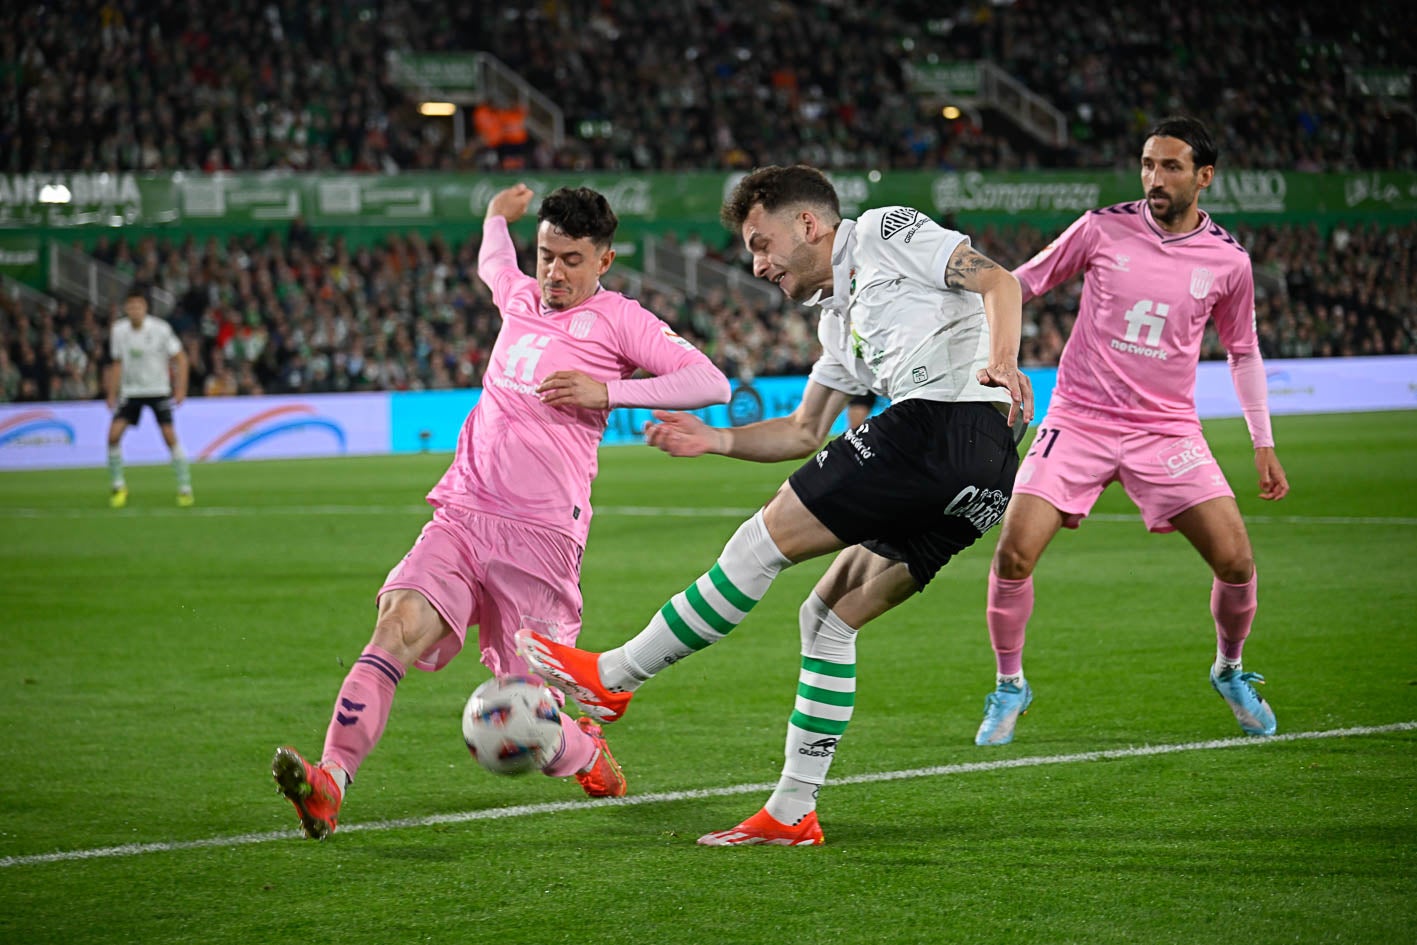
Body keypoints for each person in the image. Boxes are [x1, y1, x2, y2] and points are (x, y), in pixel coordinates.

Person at [518, 164, 1033, 846]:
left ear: (809, 225)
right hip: (985, 475)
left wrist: (1002, 361)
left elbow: (999, 279)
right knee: (825, 619)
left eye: (761, 244)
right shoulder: (833, 325)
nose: (757, 264)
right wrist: (715, 439)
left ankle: (614, 676)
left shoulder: (882, 230)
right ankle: (792, 811)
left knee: (757, 543)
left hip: (942, 422)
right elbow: (800, 431)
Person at [272, 184, 731, 840]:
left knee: (526, 711)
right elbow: (494, 262)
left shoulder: (619, 320)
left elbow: (708, 382)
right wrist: (494, 215)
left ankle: (585, 750)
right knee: (394, 626)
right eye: (545, 254)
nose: (553, 271)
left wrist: (608, 390)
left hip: (540, 536)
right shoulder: (519, 296)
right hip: (462, 510)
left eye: (571, 258)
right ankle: (329, 782)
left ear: (604, 260)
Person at [973, 116, 1290, 748]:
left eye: (1170, 167)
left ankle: (1229, 670)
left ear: (1204, 176)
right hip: (1079, 420)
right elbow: (1019, 283)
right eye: (1147, 164)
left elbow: (1243, 352)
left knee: (1235, 561)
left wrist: (1263, 443)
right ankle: (1010, 686)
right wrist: (991, 352)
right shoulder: (1101, 227)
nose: (1154, 179)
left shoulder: (1228, 262)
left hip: (1165, 430)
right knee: (1013, 552)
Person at [104, 287, 192, 507]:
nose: (135, 310)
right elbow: (117, 363)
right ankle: (118, 486)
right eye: (131, 306)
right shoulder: (118, 331)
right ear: (126, 308)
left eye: (139, 306)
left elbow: (180, 358)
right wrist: (111, 393)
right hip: (131, 392)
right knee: (113, 437)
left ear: (146, 308)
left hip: (158, 390)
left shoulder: (161, 329)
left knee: (169, 436)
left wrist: (180, 389)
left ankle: (185, 487)